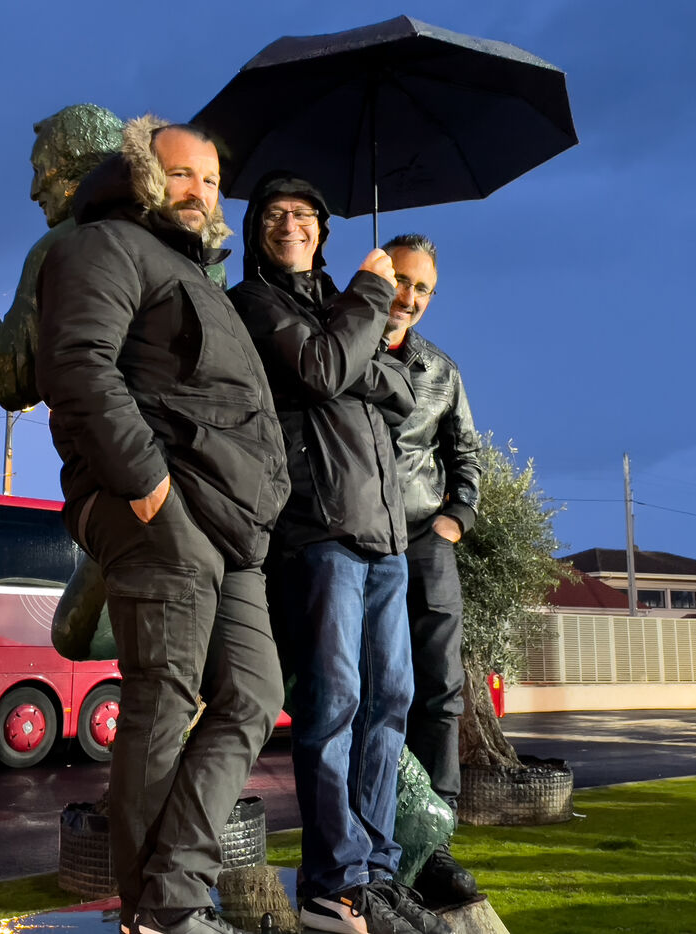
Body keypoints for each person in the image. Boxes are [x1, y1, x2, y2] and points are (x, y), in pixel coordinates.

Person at [35, 117, 289, 934]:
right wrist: (146, 487)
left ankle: (176, 883)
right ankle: (162, 913)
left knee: (254, 694)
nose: (199, 192)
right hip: (160, 511)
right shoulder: (102, 244)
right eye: (181, 173)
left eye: (211, 181)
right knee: (163, 698)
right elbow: (77, 367)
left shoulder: (195, 274)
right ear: (140, 172)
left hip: (231, 527)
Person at [228, 173, 446, 934]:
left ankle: (376, 871)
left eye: (303, 214)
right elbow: (323, 370)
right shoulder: (253, 304)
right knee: (335, 706)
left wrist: (350, 337)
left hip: (385, 534)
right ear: (256, 228)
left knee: (391, 704)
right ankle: (332, 882)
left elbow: (400, 389)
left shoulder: (336, 303)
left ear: (322, 228)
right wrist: (366, 296)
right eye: (274, 214)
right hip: (318, 530)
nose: (289, 224)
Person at [382, 234, 483, 908]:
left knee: (441, 689)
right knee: (370, 692)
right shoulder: (339, 350)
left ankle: (435, 845)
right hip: (355, 542)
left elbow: (465, 455)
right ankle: (372, 841)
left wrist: (456, 519)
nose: (409, 297)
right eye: (401, 280)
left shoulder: (441, 372)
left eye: (422, 288)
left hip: (424, 542)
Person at [0, 103, 124, 411]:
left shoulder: (64, 245)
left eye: (40, 170)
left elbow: (10, 379)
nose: (34, 191)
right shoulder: (182, 241)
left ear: (75, 162)